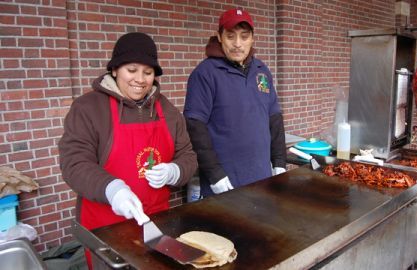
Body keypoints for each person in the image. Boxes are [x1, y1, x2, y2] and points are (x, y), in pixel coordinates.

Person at [58, 32, 197, 268]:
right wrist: (112, 189)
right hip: (105, 227)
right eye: (131, 70)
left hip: (156, 224)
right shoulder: (88, 108)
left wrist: (175, 171)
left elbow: (189, 157)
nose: (140, 80)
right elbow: (74, 162)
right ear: (114, 70)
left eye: (148, 72)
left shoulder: (168, 110)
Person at [184, 8, 286, 197]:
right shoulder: (205, 73)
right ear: (219, 37)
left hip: (262, 178)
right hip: (226, 183)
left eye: (244, 37)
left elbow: (274, 119)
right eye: (230, 36)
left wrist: (279, 162)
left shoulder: (262, 71)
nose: (237, 44)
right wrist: (215, 175)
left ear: (252, 38)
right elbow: (195, 127)